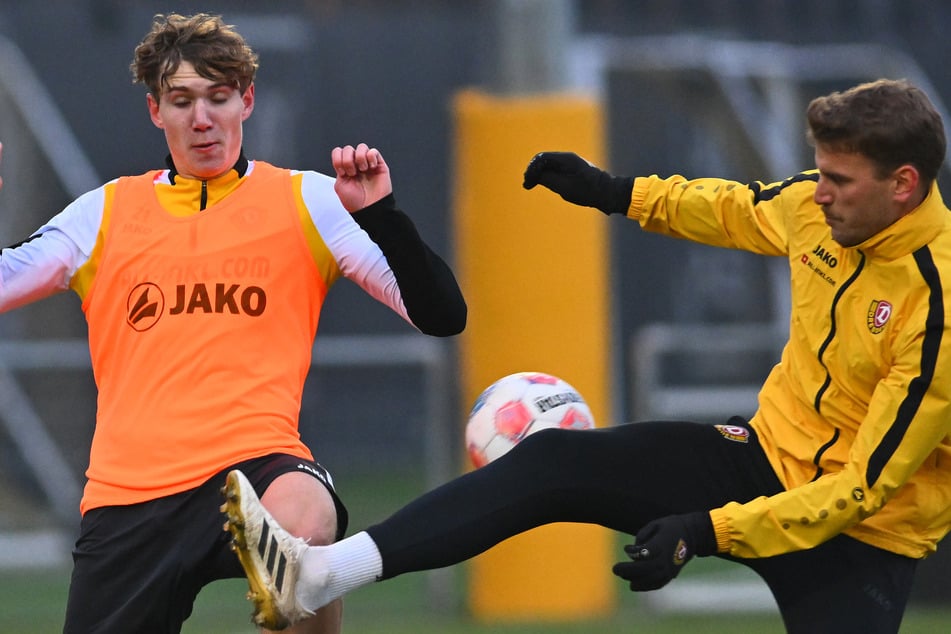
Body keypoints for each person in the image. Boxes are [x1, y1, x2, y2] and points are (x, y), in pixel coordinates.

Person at [222, 77, 951, 634]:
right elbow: (731, 207)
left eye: (838, 181)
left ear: (903, 187)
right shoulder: (816, 206)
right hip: (759, 460)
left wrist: (705, 529)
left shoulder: (937, 310)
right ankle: (317, 575)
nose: (817, 194)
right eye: (817, 172)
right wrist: (611, 192)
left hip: (860, 534)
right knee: (553, 463)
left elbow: (862, 488)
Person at [0, 12, 466, 634]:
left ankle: (296, 574)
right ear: (155, 112)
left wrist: (383, 215)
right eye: (182, 100)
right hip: (129, 498)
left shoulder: (309, 201)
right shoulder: (104, 213)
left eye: (219, 97)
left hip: (254, 471)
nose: (202, 119)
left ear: (246, 101)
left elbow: (442, 316)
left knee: (306, 527)